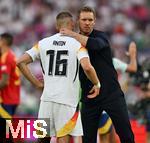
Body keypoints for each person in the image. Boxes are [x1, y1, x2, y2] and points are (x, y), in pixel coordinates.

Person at [17, 11, 100, 143]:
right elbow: (87, 67)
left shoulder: (43, 43)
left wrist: (37, 84)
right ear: (73, 24)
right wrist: (96, 83)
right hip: (67, 101)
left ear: (57, 25)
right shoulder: (77, 45)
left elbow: (20, 62)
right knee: (63, 137)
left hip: (46, 100)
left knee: (42, 138)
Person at [60, 6, 135, 143]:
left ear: (94, 21)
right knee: (88, 138)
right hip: (89, 97)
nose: (87, 23)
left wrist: (73, 34)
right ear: (78, 21)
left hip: (111, 94)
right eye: (84, 19)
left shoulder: (101, 36)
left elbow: (95, 45)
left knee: (126, 134)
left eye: (90, 20)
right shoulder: (71, 43)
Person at [99, 42, 137, 143]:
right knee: (107, 137)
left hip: (92, 103)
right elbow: (133, 69)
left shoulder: (90, 61)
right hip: (109, 103)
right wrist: (133, 55)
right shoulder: (113, 62)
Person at [0, 33, 20, 142]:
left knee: (7, 133)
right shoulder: (12, 55)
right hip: (12, 97)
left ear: (3, 41)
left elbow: (4, 81)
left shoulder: (6, 57)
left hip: (7, 99)